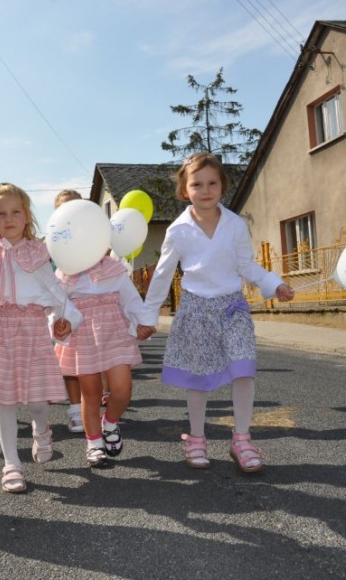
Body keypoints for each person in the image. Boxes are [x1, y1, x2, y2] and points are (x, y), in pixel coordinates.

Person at [137, 152, 294, 472]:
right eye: (197, 184)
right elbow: (163, 274)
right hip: (195, 309)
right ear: (185, 190)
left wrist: (274, 283)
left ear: (223, 186)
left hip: (231, 307)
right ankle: (196, 438)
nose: (205, 190)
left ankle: (242, 439)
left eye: (212, 183)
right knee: (199, 378)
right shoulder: (178, 230)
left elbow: (246, 264)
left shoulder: (235, 224)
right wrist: (148, 317)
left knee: (243, 368)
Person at [0, 183, 82, 493]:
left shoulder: (38, 252)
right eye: (0, 213)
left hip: (32, 331)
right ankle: (12, 464)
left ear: (27, 216)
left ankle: (42, 429)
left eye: (15, 212)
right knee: (4, 402)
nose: (8, 219)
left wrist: (65, 320)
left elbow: (55, 293)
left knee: (36, 402)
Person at [54, 252, 149, 468]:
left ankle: (110, 422)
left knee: (122, 390)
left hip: (115, 333)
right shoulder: (65, 273)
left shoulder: (114, 269)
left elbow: (131, 300)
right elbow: (57, 305)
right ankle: (94, 443)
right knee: (91, 393)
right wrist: (61, 323)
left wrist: (142, 322)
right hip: (82, 334)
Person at [52, 190, 85, 433]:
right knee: (70, 366)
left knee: (91, 367)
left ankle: (90, 406)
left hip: (92, 309)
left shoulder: (92, 234)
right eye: (64, 207)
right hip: (62, 306)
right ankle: (75, 411)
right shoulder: (52, 241)